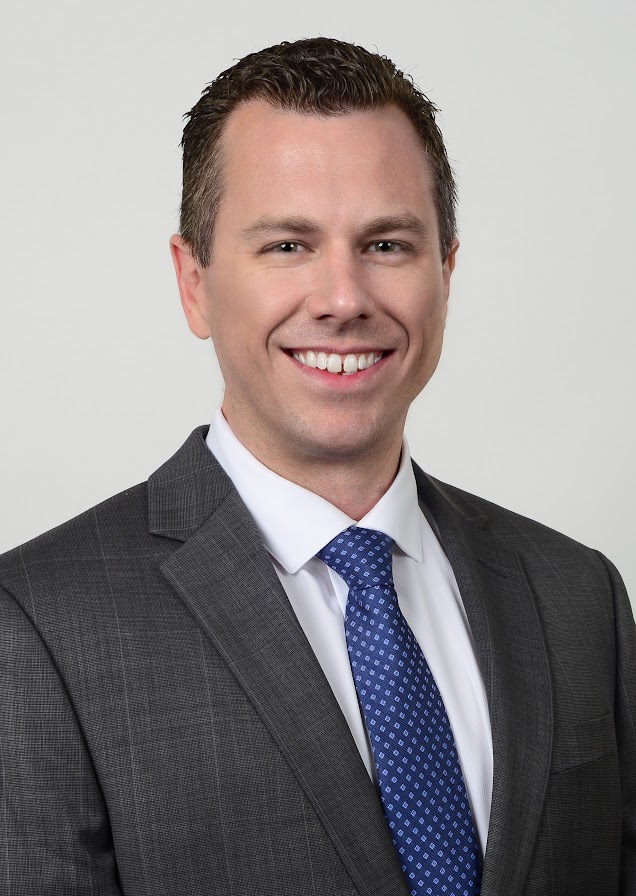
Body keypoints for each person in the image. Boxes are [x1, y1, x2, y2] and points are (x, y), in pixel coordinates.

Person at [0, 36, 634, 896]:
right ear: (194, 282)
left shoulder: (579, 597)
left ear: (446, 272)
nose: (343, 299)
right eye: (288, 246)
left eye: (387, 245)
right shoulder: (37, 627)